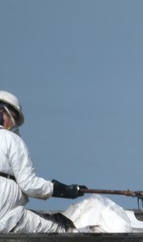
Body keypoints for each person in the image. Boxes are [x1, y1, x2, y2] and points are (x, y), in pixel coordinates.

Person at [0, 90, 86, 233]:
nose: (12, 124)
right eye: (12, 116)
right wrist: (62, 190)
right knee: (62, 226)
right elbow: (29, 185)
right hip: (8, 220)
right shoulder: (12, 140)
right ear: (2, 112)